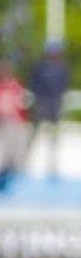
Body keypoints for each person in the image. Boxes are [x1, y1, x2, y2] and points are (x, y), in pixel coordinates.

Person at [27, 40, 70, 178]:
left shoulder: (62, 68)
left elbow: (64, 87)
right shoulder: (40, 67)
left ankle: (52, 166)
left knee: (53, 139)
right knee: (33, 136)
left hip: (54, 107)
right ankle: (24, 164)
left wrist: (59, 102)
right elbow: (34, 85)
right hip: (41, 105)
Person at [0, 59, 29, 193]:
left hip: (14, 123)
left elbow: (21, 106)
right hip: (4, 123)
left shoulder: (17, 87)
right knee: (4, 153)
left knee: (14, 155)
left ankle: (7, 180)